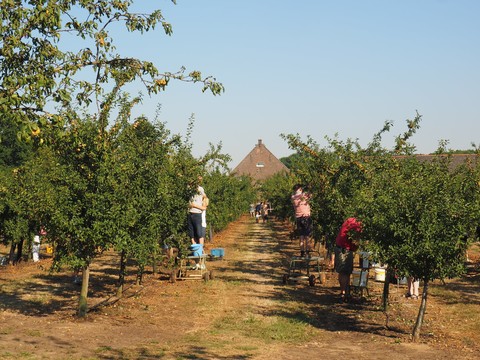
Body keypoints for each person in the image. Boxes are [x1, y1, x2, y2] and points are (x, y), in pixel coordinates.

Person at [334, 217, 362, 302]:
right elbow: (355, 239)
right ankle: (343, 294)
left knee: (344, 272)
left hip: (340, 247)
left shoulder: (350, 220)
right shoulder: (357, 224)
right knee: (345, 272)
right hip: (344, 250)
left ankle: (346, 293)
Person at [291, 184, 312, 257]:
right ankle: (308, 253)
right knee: (307, 236)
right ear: (300, 189)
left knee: (301, 237)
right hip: (306, 217)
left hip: (298, 218)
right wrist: (309, 187)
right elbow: (311, 195)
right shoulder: (304, 195)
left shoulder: (293, 197)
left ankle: (302, 253)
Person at [188, 177, 207, 246]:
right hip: (190, 213)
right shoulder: (189, 189)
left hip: (197, 213)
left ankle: (200, 248)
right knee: (191, 232)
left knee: (199, 233)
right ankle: (195, 247)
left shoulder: (200, 189)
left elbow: (205, 196)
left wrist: (197, 206)